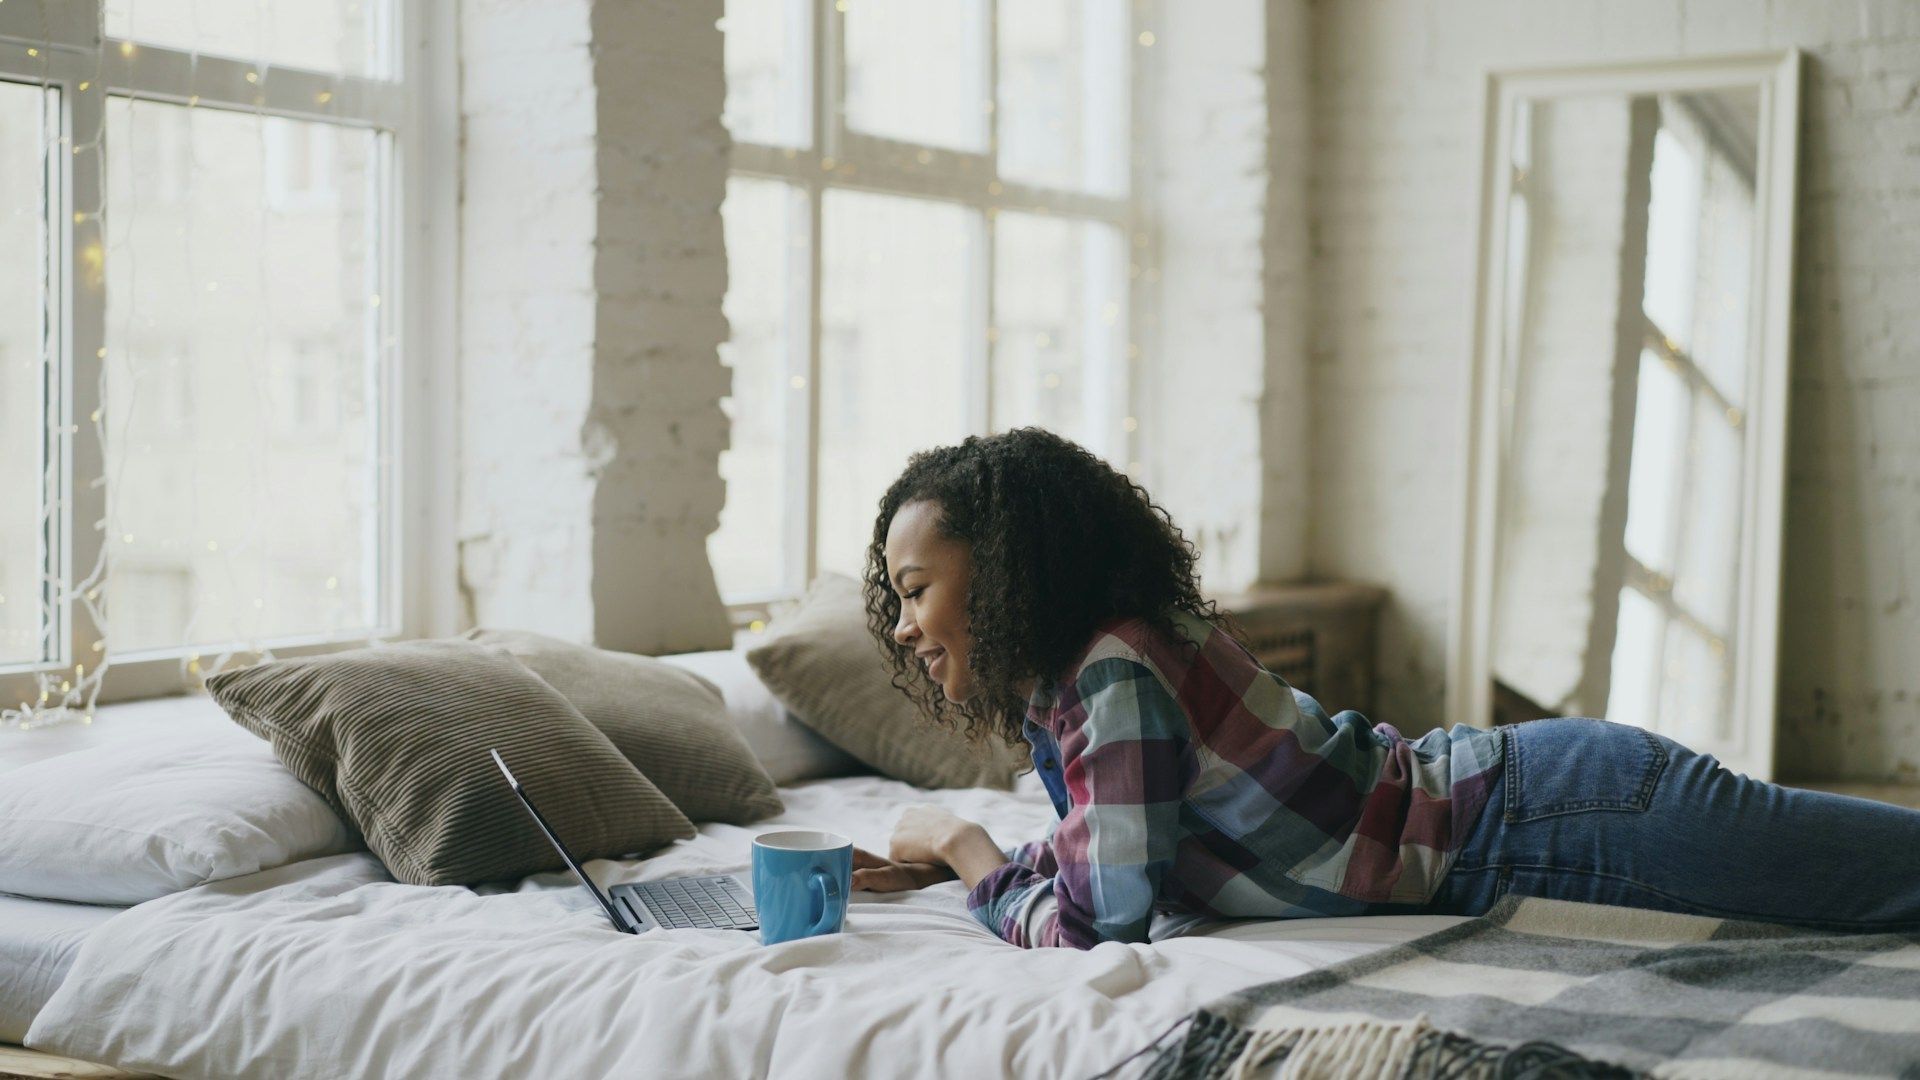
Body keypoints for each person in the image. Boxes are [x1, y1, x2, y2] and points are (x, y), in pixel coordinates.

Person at [846, 427, 1920, 949]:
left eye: (917, 589)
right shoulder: (1092, 674)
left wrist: (963, 846)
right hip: (1533, 808)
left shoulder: (1109, 672)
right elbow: (1121, 841)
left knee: (1886, 882)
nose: (904, 624)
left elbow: (1096, 922)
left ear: (1008, 568)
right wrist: (958, 870)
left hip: (1543, 816)